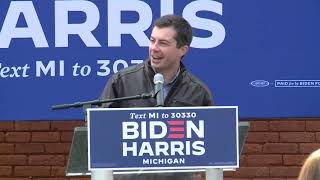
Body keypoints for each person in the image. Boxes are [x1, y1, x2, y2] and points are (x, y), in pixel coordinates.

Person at [100, 14, 213, 180]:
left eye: (163, 43)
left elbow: (211, 144)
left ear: (183, 50)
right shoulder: (122, 82)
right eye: (152, 40)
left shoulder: (198, 92)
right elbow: (100, 135)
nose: (154, 48)